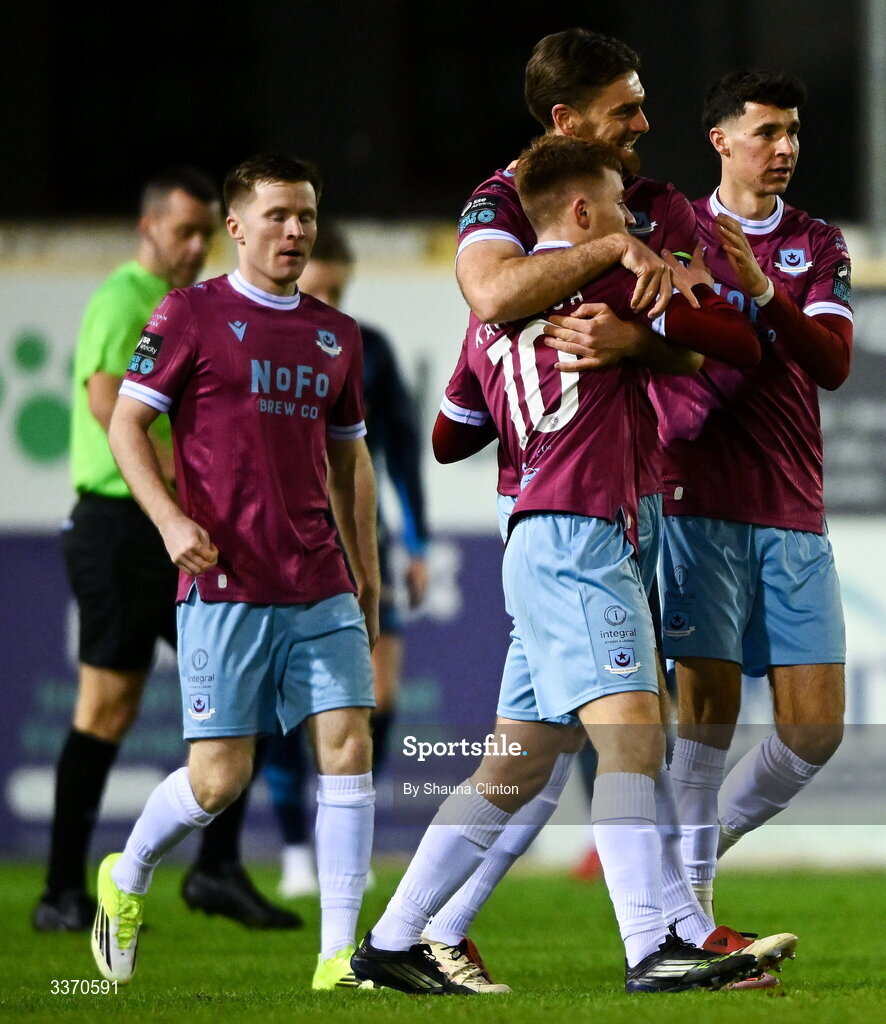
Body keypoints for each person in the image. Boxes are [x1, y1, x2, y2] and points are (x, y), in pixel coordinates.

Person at [417, 28, 793, 994]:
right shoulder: (521, 223)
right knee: (633, 732)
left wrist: (607, 352)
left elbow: (452, 429)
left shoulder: (526, 302)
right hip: (579, 525)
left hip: (567, 519)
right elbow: (504, 290)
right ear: (567, 128)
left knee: (522, 763)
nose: (645, 122)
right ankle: (659, 944)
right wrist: (628, 286)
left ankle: (400, 935)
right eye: (625, 109)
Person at [89, 153, 380, 991]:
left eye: (307, 217)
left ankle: (336, 957)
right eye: (280, 216)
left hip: (319, 579)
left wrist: (363, 563)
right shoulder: (188, 315)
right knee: (220, 779)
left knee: (348, 746)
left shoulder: (337, 334)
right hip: (224, 582)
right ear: (237, 227)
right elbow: (126, 428)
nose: (295, 231)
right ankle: (130, 871)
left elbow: (350, 461)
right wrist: (171, 518)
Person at [35, 166, 300, 934]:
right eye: (182, 231)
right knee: (107, 707)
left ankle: (216, 873)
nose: (194, 246)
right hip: (121, 527)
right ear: (147, 228)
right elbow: (104, 402)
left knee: (240, 692)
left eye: (201, 233)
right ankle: (60, 889)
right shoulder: (123, 298)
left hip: (183, 529)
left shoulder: (195, 306)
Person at [651, 70, 852, 916]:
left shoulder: (817, 240)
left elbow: (832, 366)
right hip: (698, 501)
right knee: (705, 725)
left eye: (793, 132)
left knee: (814, 730)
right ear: (720, 140)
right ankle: (688, 915)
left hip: (792, 502)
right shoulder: (675, 233)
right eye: (767, 131)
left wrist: (766, 291)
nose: (786, 148)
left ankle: (694, 854)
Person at [260, 220, 430, 899]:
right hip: (285, 540)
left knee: (377, 694)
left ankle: (342, 827)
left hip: (361, 535)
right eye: (314, 285)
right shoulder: (264, 347)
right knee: (287, 705)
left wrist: (414, 544)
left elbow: (400, 453)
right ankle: (298, 849)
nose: (323, 297)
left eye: (336, 288)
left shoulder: (366, 350)